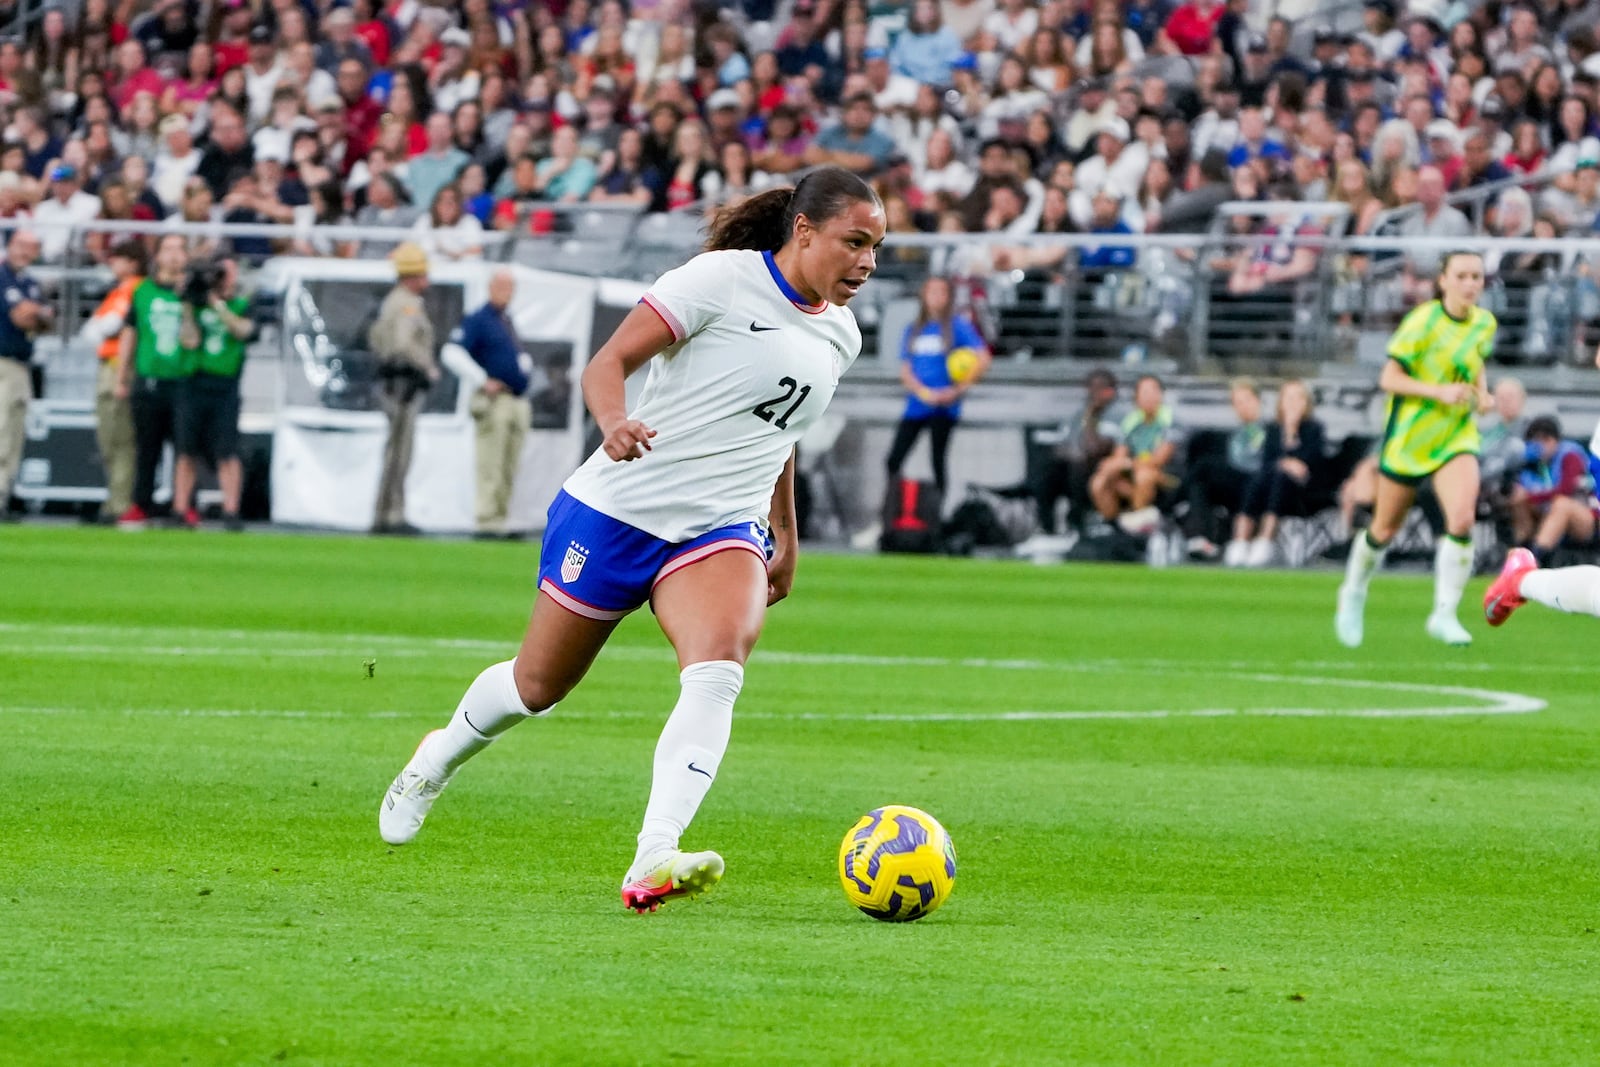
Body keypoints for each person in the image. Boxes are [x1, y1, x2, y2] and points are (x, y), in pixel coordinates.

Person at [376, 166, 885, 915]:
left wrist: (786, 529)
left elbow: (782, 434)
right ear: (804, 231)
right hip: (621, 509)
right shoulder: (720, 280)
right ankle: (436, 757)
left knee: (718, 669)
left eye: (877, 247)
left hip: (719, 528)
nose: (868, 262)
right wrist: (615, 422)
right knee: (535, 687)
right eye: (856, 242)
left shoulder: (841, 333)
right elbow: (606, 363)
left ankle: (655, 854)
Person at [1335, 250, 1495, 649]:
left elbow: (1474, 363)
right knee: (1384, 529)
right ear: (1443, 281)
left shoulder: (1484, 323)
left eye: (1476, 276)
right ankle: (1353, 592)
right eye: (1462, 276)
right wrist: (1437, 391)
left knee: (1461, 518)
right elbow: (1389, 378)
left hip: (1454, 435)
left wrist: (1483, 394)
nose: (1470, 284)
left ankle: (1445, 613)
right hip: (1410, 438)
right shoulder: (1422, 322)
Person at [441, 269, 532, 538]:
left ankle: (499, 519)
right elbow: (451, 352)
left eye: (510, 287)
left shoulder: (506, 321)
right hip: (496, 401)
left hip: (516, 400)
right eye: (502, 286)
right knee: (491, 462)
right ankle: (487, 521)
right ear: (490, 287)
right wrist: (482, 379)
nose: (507, 292)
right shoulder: (479, 320)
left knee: (508, 464)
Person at [116, 234, 198, 530]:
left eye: (180, 249)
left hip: (184, 380)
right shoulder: (143, 291)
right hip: (149, 378)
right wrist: (122, 375)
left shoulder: (194, 293)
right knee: (146, 446)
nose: (174, 256)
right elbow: (130, 332)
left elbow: (195, 338)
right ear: (158, 256)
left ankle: (185, 504)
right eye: (168, 249)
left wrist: (188, 298)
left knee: (185, 447)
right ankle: (141, 503)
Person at [884, 275, 990, 497]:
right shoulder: (913, 329)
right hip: (917, 405)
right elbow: (906, 370)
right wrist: (924, 393)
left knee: (937, 460)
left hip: (944, 407)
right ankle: (895, 509)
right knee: (894, 460)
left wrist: (957, 390)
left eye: (942, 292)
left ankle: (936, 516)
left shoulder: (957, 327)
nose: (936, 297)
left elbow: (983, 357)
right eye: (932, 291)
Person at [173, 256, 253, 531]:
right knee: (186, 449)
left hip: (225, 386)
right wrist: (188, 305)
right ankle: (180, 508)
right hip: (194, 382)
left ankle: (231, 509)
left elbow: (243, 331)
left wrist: (217, 305)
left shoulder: (241, 305)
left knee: (227, 451)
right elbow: (189, 339)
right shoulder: (194, 305)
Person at [367, 242, 439, 536]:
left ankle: (385, 512)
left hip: (394, 384)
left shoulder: (392, 301)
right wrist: (427, 366)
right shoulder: (407, 303)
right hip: (403, 386)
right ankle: (392, 514)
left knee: (395, 450)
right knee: (399, 451)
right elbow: (403, 344)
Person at [1228, 378, 1327, 567]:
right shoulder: (1273, 429)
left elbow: (1309, 462)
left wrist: (1292, 437)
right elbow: (1268, 460)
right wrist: (1286, 445)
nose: (1292, 403)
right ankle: (1240, 540)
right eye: (1288, 398)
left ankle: (1265, 540)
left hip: (1302, 489)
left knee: (1281, 480)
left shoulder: (1314, 429)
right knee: (1259, 480)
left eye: (1298, 398)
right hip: (1270, 480)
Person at [81, 240, 147, 523]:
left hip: (121, 367)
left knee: (121, 440)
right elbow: (91, 331)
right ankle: (115, 498)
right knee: (109, 439)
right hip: (107, 365)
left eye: (117, 259)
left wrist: (103, 329)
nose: (111, 264)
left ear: (132, 262)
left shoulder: (134, 289)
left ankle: (119, 503)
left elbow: (106, 327)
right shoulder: (119, 291)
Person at [1089, 374, 1181, 536]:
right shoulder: (1130, 422)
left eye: (1153, 392)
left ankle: (1136, 528)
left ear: (1161, 395)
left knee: (1145, 476)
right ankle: (1113, 527)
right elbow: (1119, 455)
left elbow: (1158, 460)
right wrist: (1113, 465)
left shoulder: (1170, 421)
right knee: (1102, 478)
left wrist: (1126, 463)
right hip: (1133, 474)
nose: (1148, 397)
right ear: (1136, 397)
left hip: (1167, 478)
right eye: (1143, 392)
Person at [1035, 368, 1123, 535]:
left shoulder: (1118, 415)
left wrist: (1090, 417)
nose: (1093, 394)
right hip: (1072, 467)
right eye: (1091, 388)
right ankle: (1047, 528)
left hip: (1102, 471)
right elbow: (1062, 443)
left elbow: (1097, 448)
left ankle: (1078, 523)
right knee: (1047, 470)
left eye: (1099, 389)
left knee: (1080, 466)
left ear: (1111, 391)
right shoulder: (1078, 414)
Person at [1185, 377, 1265, 563]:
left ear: (1257, 400)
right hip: (1235, 488)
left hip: (1257, 486)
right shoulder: (1237, 434)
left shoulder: (1268, 430)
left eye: (1246, 400)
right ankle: (1202, 538)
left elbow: (1253, 463)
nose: (1241, 406)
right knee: (1199, 485)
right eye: (1237, 402)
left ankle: (1166, 506)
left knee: (1203, 467)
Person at [0, 230, 51, 516]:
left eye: (30, 247)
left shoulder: (29, 283)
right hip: (3, 362)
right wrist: (37, 314)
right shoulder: (3, 277)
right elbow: (20, 315)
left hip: (20, 364)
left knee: (14, 431)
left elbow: (44, 321)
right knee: (2, 429)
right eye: (20, 246)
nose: (24, 252)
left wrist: (36, 314)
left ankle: (3, 493)